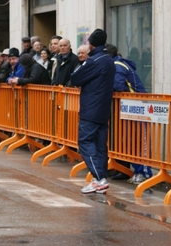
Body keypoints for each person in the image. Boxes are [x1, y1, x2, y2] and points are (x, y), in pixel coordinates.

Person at [70, 28, 116, 194]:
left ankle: (99, 178)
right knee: (100, 145)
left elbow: (75, 78)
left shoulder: (94, 61)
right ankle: (99, 179)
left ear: (90, 43)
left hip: (91, 108)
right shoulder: (109, 59)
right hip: (103, 109)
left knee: (85, 142)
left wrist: (83, 63)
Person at [106, 44, 153, 184]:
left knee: (139, 141)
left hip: (138, 106)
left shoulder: (118, 66)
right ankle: (136, 171)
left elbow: (118, 86)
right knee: (131, 141)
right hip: (129, 107)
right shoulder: (116, 64)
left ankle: (144, 172)